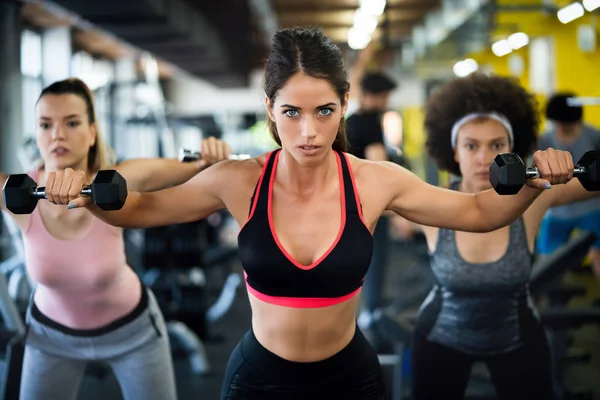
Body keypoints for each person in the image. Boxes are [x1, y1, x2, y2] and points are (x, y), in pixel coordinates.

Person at [49, 29, 574, 400]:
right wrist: (89, 195)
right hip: (258, 380)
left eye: (324, 111)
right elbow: (140, 210)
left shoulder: (374, 180)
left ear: (344, 104)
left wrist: (537, 180)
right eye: (291, 112)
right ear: (270, 109)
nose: (308, 133)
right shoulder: (240, 179)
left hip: (350, 378)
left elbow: (481, 210)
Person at [0, 78, 232, 400]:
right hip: (50, 338)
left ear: (92, 132)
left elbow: (189, 167)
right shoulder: (14, 193)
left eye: (71, 122)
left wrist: (210, 155)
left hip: (132, 334)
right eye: (45, 124)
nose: (57, 134)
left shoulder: (116, 181)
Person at [407, 74, 600, 400]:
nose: (484, 158)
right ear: (455, 152)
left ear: (512, 149)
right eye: (471, 146)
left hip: (517, 337)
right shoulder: (433, 204)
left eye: (496, 145)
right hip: (440, 337)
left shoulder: (536, 198)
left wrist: (563, 165)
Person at [346, 62, 398, 340]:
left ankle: (357, 322)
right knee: (376, 268)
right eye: (384, 96)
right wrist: (398, 210)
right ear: (372, 95)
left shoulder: (350, 123)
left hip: (348, 209)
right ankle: (374, 325)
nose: (386, 102)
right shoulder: (371, 124)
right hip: (372, 210)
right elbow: (381, 169)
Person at [536, 92, 600, 281]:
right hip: (558, 211)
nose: (562, 128)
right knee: (546, 261)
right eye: (558, 123)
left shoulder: (593, 136)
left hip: (592, 208)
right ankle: (540, 306)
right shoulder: (544, 141)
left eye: (566, 124)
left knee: (598, 256)